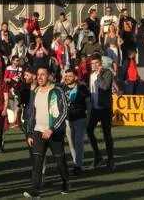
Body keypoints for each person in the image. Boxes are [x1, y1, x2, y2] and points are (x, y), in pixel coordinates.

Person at [24, 66, 70, 199]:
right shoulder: (36, 91)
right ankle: (35, 190)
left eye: (43, 74)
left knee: (59, 160)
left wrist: (52, 129)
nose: (39, 77)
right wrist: (30, 133)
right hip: (38, 131)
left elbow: (64, 112)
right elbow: (31, 113)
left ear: (49, 76)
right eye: (38, 75)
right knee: (37, 160)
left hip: (54, 132)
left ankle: (66, 182)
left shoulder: (57, 90)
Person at [86, 53, 115, 171]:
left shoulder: (107, 73)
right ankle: (98, 156)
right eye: (92, 63)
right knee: (88, 130)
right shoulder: (91, 74)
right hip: (94, 108)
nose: (94, 65)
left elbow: (104, 87)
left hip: (105, 108)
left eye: (96, 63)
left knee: (106, 134)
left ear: (101, 63)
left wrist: (98, 76)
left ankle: (110, 159)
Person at [61, 68, 90, 175]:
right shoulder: (62, 88)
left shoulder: (82, 88)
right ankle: (75, 163)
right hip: (68, 120)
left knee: (78, 142)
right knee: (71, 143)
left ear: (76, 77)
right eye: (66, 75)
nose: (67, 78)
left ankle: (78, 165)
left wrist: (88, 118)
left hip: (80, 119)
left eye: (69, 76)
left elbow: (89, 104)